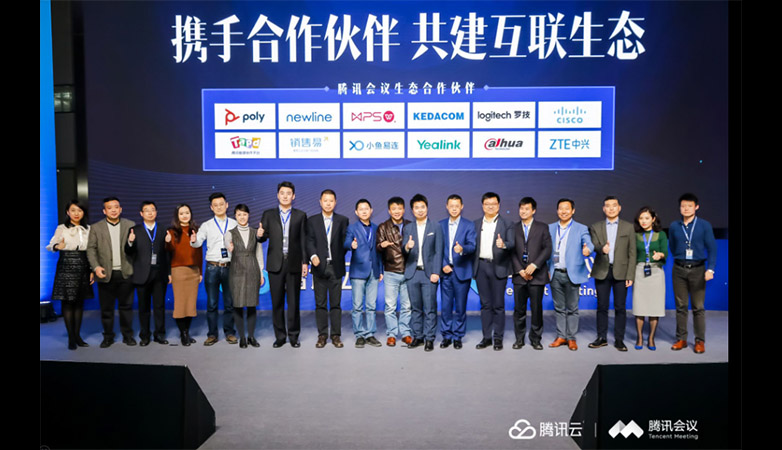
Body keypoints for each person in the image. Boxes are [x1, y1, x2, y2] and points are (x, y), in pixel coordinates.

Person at [258, 181, 308, 348]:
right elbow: (262, 237)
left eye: (288, 193)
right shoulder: (268, 214)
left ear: (293, 196)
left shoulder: (300, 215)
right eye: (282, 193)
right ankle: (280, 336)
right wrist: (259, 235)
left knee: (294, 302)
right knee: (277, 302)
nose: (285, 196)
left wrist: (305, 262)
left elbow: (303, 240)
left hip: (293, 263)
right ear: (277, 195)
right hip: (275, 264)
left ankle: (293, 336)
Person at [668, 193, 717, 354]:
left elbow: (712, 249)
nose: (686, 209)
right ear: (679, 208)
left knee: (698, 307)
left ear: (696, 207)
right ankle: (681, 339)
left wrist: (710, 269)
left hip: (698, 269)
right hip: (679, 269)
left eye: (689, 206)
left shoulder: (704, 225)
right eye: (683, 206)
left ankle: (699, 341)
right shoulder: (674, 226)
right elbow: (673, 246)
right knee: (681, 306)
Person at [86, 196, 136, 348]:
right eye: (109, 208)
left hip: (125, 272)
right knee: (106, 309)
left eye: (116, 207)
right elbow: (91, 249)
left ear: (120, 209)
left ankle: (128, 336)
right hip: (105, 273)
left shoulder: (130, 225)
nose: (113, 210)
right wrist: (95, 267)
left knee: (126, 307)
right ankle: (108, 337)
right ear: (104, 211)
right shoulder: (96, 227)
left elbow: (136, 249)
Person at [588, 196, 636, 352]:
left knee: (620, 307)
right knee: (602, 306)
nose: (611, 208)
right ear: (603, 209)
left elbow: (632, 253)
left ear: (619, 208)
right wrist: (602, 248)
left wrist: (630, 275)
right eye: (607, 206)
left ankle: (619, 340)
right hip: (602, 270)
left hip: (621, 272)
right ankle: (601, 338)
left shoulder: (628, 227)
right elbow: (594, 244)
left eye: (614, 205)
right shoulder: (596, 226)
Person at [190, 192, 238, 346]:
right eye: (215, 205)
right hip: (212, 267)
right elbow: (198, 243)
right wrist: (193, 241)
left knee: (230, 303)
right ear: (211, 207)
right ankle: (212, 335)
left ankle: (230, 333)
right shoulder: (206, 225)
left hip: (230, 267)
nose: (219, 207)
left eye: (221, 204)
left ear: (227, 205)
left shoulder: (234, 223)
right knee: (212, 304)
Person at [46, 200, 94, 350]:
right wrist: (57, 246)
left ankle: (78, 336)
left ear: (83, 212)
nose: (76, 213)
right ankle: (71, 338)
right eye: (73, 210)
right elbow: (50, 245)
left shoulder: (88, 229)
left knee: (79, 303)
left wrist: (91, 270)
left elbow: (91, 251)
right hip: (66, 265)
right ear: (68, 212)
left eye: (79, 210)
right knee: (67, 303)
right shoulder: (61, 228)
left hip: (83, 264)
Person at [547, 198, 594, 351]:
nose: (564, 211)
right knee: (559, 308)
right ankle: (561, 336)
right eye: (561, 208)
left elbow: (589, 243)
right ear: (557, 211)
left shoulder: (581, 228)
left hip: (572, 274)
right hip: (555, 273)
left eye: (567, 208)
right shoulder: (550, 228)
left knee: (572, 308)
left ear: (573, 211)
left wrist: (588, 249)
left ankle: (571, 338)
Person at [306, 189, 349, 348]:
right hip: (319, 267)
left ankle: (336, 336)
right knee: (320, 304)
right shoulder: (312, 221)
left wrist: (348, 247)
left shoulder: (343, 220)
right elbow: (309, 241)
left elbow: (344, 243)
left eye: (331, 200)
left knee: (336, 304)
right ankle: (322, 335)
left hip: (336, 267)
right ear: (320, 202)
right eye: (325, 200)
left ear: (335, 202)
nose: (328, 203)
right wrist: (313, 256)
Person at [473, 192, 514, 351]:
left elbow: (512, 243)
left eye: (493, 204)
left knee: (498, 305)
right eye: (487, 204)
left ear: (499, 205)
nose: (490, 207)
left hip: (499, 267)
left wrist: (503, 245)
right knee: (485, 305)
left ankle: (498, 338)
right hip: (481, 267)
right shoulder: (476, 224)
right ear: (482, 206)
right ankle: (486, 338)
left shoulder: (507, 223)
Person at [125, 201, 170, 346]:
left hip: (159, 273)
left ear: (156, 212)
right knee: (143, 308)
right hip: (141, 274)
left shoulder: (163, 229)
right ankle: (144, 336)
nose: (150, 213)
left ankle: (160, 334)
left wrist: (169, 243)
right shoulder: (135, 230)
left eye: (152, 210)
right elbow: (128, 252)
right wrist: (130, 242)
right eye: (146, 210)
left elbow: (168, 254)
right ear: (141, 213)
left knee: (159, 306)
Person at [402, 194, 443, 351]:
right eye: (416, 207)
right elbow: (403, 250)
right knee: (415, 308)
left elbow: (438, 251)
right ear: (412, 210)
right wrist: (407, 247)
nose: (420, 210)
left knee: (430, 308)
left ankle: (429, 338)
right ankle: (418, 336)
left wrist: (436, 272)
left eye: (422, 207)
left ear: (427, 208)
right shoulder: (408, 228)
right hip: (412, 273)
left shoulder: (435, 226)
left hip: (429, 274)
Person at [509, 197, 551, 351]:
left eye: (527, 209)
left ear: (533, 210)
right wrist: (520, 270)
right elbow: (511, 251)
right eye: (521, 208)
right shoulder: (513, 228)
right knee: (519, 310)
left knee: (536, 309)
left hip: (537, 276)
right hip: (519, 276)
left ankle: (535, 339)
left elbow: (547, 249)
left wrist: (534, 265)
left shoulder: (542, 227)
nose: (523, 211)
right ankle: (519, 339)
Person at [438, 194, 476, 350]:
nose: (454, 208)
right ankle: (446, 336)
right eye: (451, 206)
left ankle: (458, 336)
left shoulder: (469, 225)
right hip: (446, 272)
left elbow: (472, 246)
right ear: (447, 207)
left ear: (462, 207)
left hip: (462, 271)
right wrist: (443, 265)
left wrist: (462, 249)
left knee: (460, 307)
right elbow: (437, 248)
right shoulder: (440, 225)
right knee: (446, 307)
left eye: (457, 206)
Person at [345, 199, 384, 348]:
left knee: (371, 306)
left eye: (366, 208)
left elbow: (379, 251)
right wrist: (351, 244)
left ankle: (370, 334)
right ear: (356, 212)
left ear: (371, 210)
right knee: (357, 306)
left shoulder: (376, 228)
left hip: (374, 271)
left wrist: (380, 270)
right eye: (361, 209)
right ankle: (359, 334)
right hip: (358, 271)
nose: (364, 211)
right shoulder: (352, 228)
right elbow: (345, 242)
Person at [225, 204, 264, 349]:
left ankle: (251, 336)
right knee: (238, 304)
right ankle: (242, 337)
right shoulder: (230, 233)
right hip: (236, 271)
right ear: (235, 216)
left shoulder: (255, 232)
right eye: (239, 214)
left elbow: (259, 254)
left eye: (245, 214)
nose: (242, 217)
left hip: (253, 269)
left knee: (252, 304)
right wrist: (229, 248)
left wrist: (261, 273)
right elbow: (227, 245)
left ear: (249, 215)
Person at [376, 196, 412, 347]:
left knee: (407, 306)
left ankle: (405, 333)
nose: (397, 211)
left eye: (399, 208)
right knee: (390, 306)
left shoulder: (411, 225)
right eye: (394, 209)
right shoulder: (383, 227)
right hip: (391, 271)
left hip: (409, 271)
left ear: (404, 210)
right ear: (389, 211)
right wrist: (382, 245)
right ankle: (391, 334)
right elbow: (377, 248)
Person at [165, 204, 202, 346]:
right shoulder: (172, 232)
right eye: (181, 213)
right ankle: (183, 333)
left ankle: (187, 331)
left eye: (187, 212)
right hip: (178, 270)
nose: (185, 215)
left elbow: (199, 253)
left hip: (194, 271)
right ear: (177, 216)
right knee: (180, 304)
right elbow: (168, 251)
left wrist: (200, 271)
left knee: (190, 304)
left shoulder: (196, 230)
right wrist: (167, 242)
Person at [631, 206, 667, 351]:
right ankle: (639, 337)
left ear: (653, 219)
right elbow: (632, 255)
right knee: (640, 307)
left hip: (656, 272)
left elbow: (665, 252)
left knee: (654, 307)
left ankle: (651, 338)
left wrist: (660, 255)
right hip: (640, 271)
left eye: (647, 218)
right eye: (641, 218)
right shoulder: (635, 235)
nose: (644, 221)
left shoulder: (661, 234)